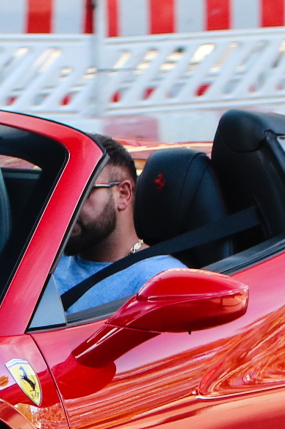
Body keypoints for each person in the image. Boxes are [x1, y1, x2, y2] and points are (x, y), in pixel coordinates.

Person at [48, 135, 187, 317]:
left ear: (123, 194)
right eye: (62, 191)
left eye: (82, 191)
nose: (68, 205)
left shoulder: (160, 281)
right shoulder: (46, 263)